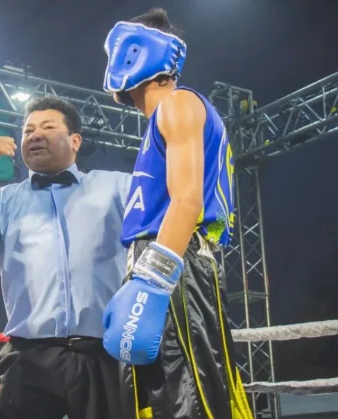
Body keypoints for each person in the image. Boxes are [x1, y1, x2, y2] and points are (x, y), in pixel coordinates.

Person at [100, 8, 253, 419]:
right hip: (169, 265)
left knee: (186, 404)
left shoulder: (178, 105)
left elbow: (187, 202)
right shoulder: (164, 120)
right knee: (161, 403)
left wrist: (151, 280)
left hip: (172, 268)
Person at [0, 96, 132, 419]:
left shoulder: (116, 187)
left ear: (75, 141)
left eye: (47, 127)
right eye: (28, 130)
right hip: (28, 358)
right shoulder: (5, 200)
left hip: (102, 353)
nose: (35, 135)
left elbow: (169, 213)